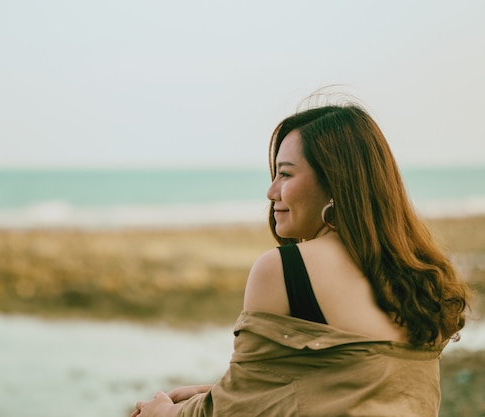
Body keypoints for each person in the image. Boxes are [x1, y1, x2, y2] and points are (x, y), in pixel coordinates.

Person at [130, 101, 470, 417]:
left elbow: (233, 412)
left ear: (335, 181)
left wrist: (165, 412)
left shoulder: (286, 269)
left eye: (286, 174)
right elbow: (345, 385)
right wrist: (212, 390)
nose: (271, 191)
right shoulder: (421, 278)